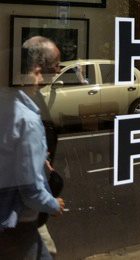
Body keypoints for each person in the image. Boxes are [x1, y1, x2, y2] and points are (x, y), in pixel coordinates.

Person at [0, 36, 65, 259]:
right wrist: (53, 204)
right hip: (16, 220)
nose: (57, 73)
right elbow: (30, 189)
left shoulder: (9, 102)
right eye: (55, 67)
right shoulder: (26, 118)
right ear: (37, 70)